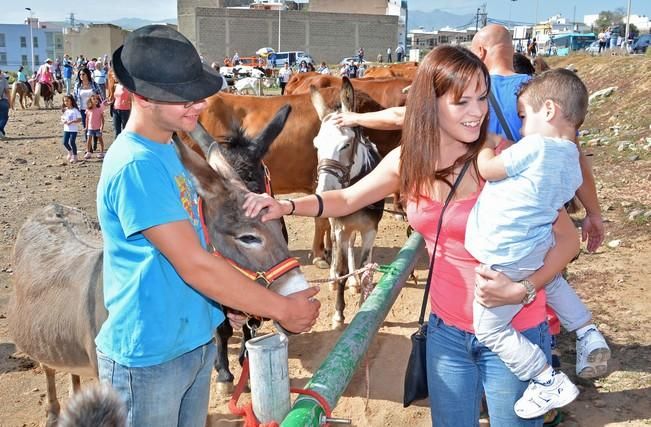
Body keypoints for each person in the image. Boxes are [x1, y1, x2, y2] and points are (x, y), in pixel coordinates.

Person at [243, 45, 581, 426]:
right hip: (447, 335)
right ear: (430, 104)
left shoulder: (509, 161)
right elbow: (348, 197)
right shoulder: (409, 160)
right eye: (462, 101)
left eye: (482, 98)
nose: (478, 112)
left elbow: (568, 240)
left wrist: (525, 289)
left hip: (515, 331)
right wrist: (286, 207)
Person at [96, 25, 320, 427]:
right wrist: (281, 307)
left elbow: (197, 246)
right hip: (151, 356)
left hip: (192, 340)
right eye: (184, 96)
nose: (199, 104)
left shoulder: (169, 150)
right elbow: (194, 264)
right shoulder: (136, 165)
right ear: (143, 97)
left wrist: (222, 306)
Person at [466, 69, 610, 419]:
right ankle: (587, 330)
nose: (521, 126)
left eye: (523, 116)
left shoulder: (534, 146)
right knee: (555, 280)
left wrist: (486, 145)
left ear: (548, 110)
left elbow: (489, 170)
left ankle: (545, 378)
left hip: (506, 253)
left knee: (490, 329)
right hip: (535, 246)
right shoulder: (573, 164)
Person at [74, 67, 103, 143]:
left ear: (87, 75)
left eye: (83, 74)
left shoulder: (93, 84)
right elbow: (75, 97)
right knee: (86, 127)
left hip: (94, 109)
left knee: (95, 126)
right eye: (80, 74)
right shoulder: (77, 85)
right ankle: (88, 147)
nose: (81, 76)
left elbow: (101, 94)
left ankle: (95, 143)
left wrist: (98, 100)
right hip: (83, 109)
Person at [106, 69, 131, 137]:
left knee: (126, 130)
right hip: (115, 110)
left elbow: (132, 97)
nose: (113, 77)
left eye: (114, 76)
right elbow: (114, 98)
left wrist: (128, 101)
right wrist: (108, 102)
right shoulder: (115, 86)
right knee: (117, 131)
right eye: (112, 76)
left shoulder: (127, 85)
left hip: (125, 110)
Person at [60, 94, 82, 163]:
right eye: (64, 101)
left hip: (73, 129)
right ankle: (70, 151)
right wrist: (64, 121)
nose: (66, 102)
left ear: (71, 101)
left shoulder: (75, 110)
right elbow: (62, 118)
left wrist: (72, 121)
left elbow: (79, 119)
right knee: (65, 142)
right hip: (66, 129)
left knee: (72, 141)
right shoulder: (65, 110)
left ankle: (75, 156)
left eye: (67, 101)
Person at [84, 94, 106, 159]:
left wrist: (102, 127)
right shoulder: (88, 109)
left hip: (98, 128)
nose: (95, 100)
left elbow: (102, 119)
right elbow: (87, 118)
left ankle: (102, 152)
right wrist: (86, 126)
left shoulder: (99, 109)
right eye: (93, 99)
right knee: (89, 140)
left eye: (96, 99)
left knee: (100, 139)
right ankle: (88, 152)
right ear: (90, 100)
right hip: (90, 127)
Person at [0, 69, 9, 139]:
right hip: (2, 100)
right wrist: (10, 101)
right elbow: (7, 91)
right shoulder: (4, 80)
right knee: (4, 117)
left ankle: (1, 132)